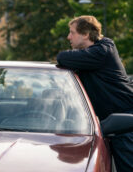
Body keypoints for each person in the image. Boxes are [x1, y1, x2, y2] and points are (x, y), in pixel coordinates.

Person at [56, 15, 133, 172]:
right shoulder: (89, 57)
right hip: (107, 124)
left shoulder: (104, 50)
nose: (68, 37)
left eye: (72, 32)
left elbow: (62, 57)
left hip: (126, 122)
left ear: (85, 34)